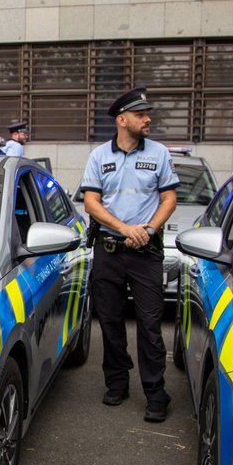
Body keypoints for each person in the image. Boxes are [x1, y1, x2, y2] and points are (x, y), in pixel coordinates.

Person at [78, 87, 180, 423]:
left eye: (147, 114)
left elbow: (169, 200)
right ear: (122, 120)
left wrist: (147, 230)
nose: (148, 119)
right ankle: (117, 384)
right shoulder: (99, 156)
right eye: (140, 115)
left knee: (151, 326)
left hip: (146, 251)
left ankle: (155, 394)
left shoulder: (160, 153)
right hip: (109, 249)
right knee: (109, 322)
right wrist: (124, 228)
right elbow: (91, 202)